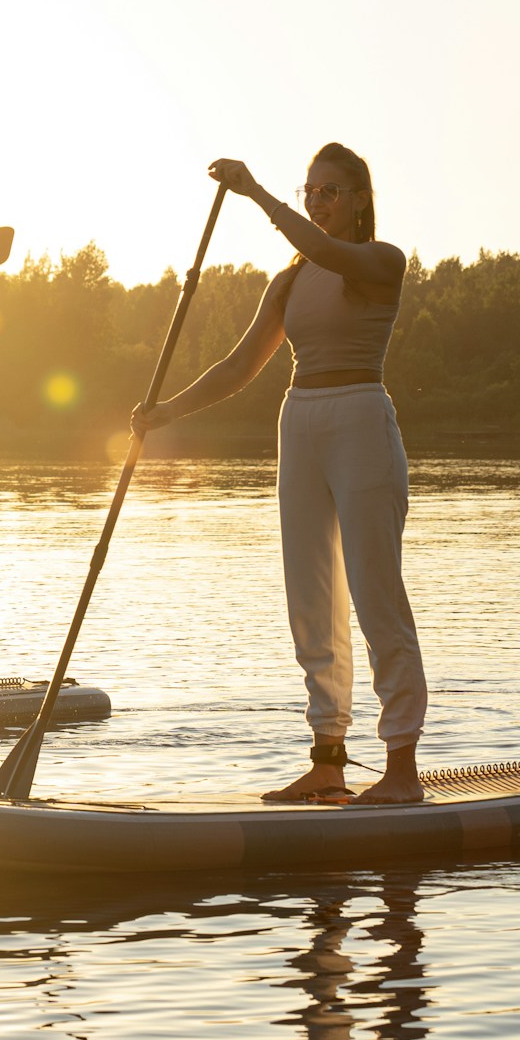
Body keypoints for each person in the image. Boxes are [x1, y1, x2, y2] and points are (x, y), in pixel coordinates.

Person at [132, 144, 428, 803]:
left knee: (377, 597)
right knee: (311, 603)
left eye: (328, 191)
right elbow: (239, 368)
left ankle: (402, 769)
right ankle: (328, 761)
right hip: (300, 424)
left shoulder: (380, 262)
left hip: (360, 421)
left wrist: (258, 194)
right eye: (309, 190)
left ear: (358, 198)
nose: (316, 200)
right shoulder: (290, 280)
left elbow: (327, 251)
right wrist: (164, 412)